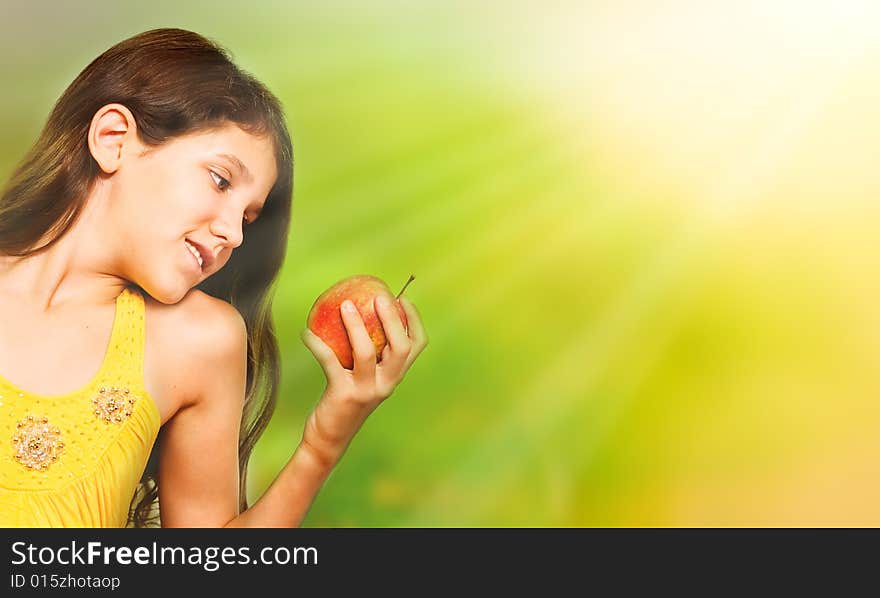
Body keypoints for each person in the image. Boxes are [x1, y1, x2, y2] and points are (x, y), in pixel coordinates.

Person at [0, 28, 428, 527]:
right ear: (113, 139)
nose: (233, 234)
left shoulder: (199, 342)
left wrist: (324, 441)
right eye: (220, 180)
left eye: (248, 217)